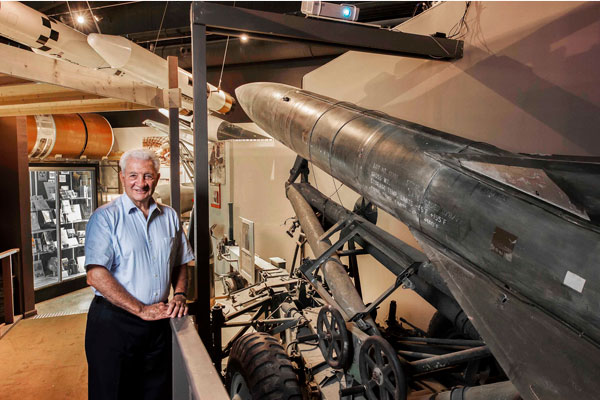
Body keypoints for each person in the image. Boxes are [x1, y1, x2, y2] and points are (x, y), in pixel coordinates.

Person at [84, 148, 194, 400]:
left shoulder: (170, 216)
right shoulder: (105, 218)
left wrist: (179, 294)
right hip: (114, 323)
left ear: (157, 178)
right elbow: (96, 275)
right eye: (133, 175)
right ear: (122, 177)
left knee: (156, 392)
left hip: (158, 322)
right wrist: (140, 310)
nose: (140, 183)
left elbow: (180, 261)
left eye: (147, 176)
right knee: (113, 393)